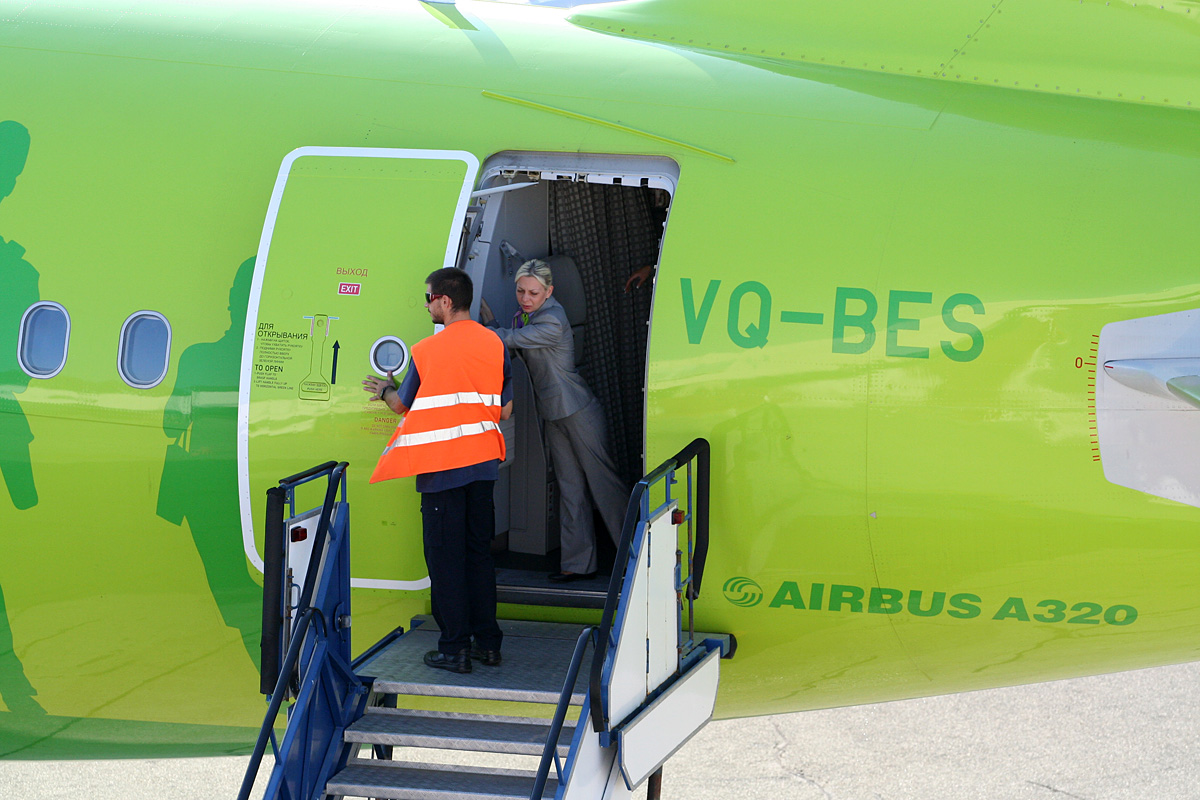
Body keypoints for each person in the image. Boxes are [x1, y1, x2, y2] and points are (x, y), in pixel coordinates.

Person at [364, 268, 512, 674]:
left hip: (442, 473)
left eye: (428, 297)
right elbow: (506, 409)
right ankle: (489, 644)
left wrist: (384, 390)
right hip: (483, 469)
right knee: (478, 557)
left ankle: (454, 650)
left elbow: (401, 406)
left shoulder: (428, 351)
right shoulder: (495, 344)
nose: (427, 304)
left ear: (446, 301)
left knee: (446, 563)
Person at [484, 259, 629, 582]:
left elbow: (507, 340)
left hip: (577, 410)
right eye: (521, 291)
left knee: (604, 485)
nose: (525, 298)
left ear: (548, 291)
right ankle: (578, 564)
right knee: (570, 488)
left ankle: (635, 557)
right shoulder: (528, 318)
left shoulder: (552, 320)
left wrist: (480, 327)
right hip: (554, 412)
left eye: (533, 292)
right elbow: (509, 345)